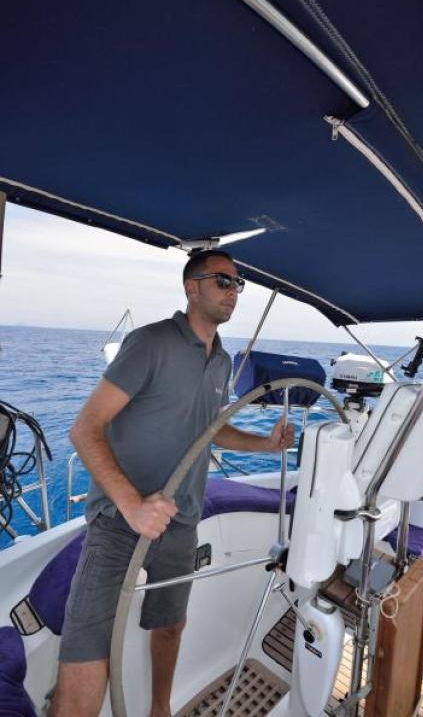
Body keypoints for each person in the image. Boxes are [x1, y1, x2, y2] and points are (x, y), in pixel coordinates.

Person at [50, 250, 294, 717]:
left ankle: (160, 707)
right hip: (119, 520)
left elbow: (211, 428)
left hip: (181, 522)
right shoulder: (150, 343)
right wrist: (133, 505)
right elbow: (84, 428)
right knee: (88, 642)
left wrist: (265, 445)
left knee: (170, 624)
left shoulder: (221, 361)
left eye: (238, 284)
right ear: (191, 287)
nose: (233, 292)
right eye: (223, 281)